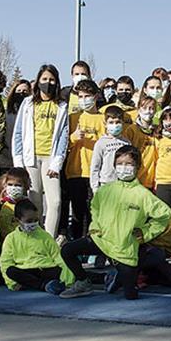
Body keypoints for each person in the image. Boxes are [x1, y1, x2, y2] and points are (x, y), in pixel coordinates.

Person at [59, 145, 171, 300]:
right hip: (101, 240)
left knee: (130, 295)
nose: (123, 167)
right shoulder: (106, 190)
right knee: (67, 250)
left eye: (129, 164)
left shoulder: (144, 195)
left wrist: (146, 232)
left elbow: (165, 215)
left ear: (138, 166)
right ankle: (83, 281)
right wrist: (95, 227)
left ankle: (115, 275)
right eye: (120, 163)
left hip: (124, 249)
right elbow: (95, 207)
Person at [11, 65, 70, 237]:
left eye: (51, 80)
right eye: (44, 79)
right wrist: (19, 162)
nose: (48, 83)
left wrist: (57, 162)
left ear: (57, 82)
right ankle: (36, 236)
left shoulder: (61, 105)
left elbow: (64, 136)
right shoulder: (28, 103)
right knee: (35, 202)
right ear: (38, 81)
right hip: (31, 159)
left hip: (51, 159)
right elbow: (18, 133)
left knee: (55, 201)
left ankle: (49, 239)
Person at [0, 200, 78, 296]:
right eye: (29, 221)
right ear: (18, 220)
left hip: (46, 269)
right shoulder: (11, 238)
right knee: (11, 271)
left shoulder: (45, 236)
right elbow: (5, 262)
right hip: (26, 270)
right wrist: (11, 283)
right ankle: (44, 285)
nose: (33, 223)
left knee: (60, 270)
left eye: (36, 220)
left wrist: (67, 281)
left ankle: (41, 284)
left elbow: (58, 257)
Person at [62, 79, 104, 239]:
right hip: (75, 171)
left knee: (93, 211)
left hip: (95, 173)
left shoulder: (103, 119)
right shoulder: (73, 117)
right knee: (78, 212)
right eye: (80, 96)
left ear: (96, 96)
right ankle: (77, 242)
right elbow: (61, 145)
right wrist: (73, 137)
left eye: (87, 96)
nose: (84, 100)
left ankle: (93, 243)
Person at [89, 106, 132, 193]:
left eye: (118, 122)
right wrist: (95, 188)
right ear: (105, 124)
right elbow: (95, 167)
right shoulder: (101, 143)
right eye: (111, 122)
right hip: (106, 184)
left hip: (123, 185)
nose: (114, 125)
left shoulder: (127, 143)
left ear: (123, 123)